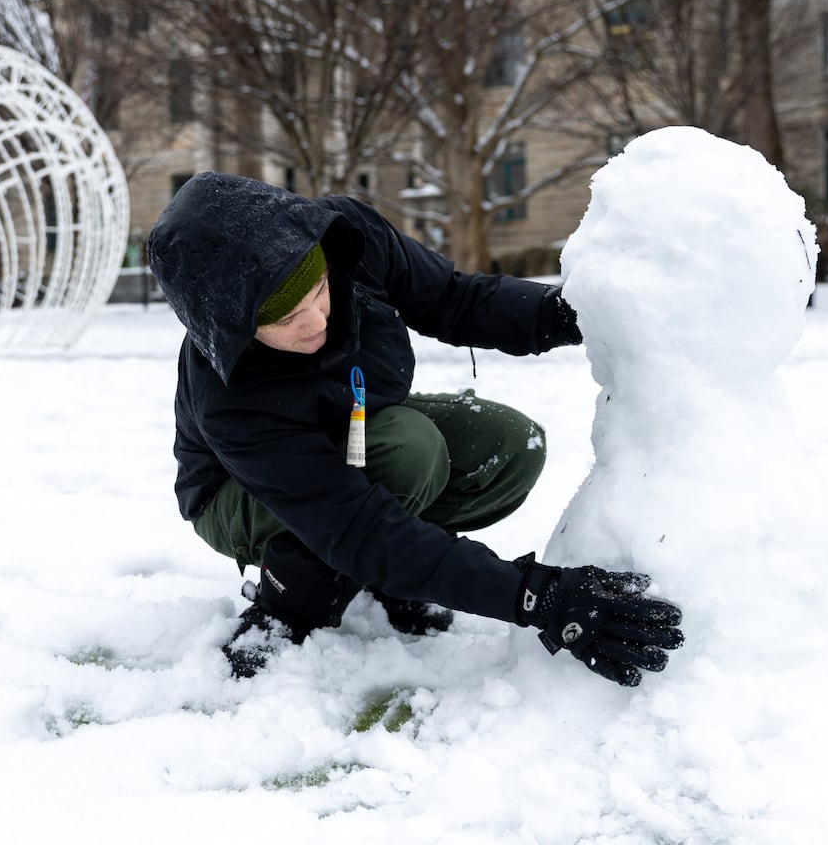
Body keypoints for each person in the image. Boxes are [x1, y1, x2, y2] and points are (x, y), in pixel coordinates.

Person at [147, 171, 683, 683]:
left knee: (510, 446)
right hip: (237, 496)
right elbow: (359, 527)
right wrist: (537, 597)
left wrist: (577, 314)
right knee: (408, 453)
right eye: (286, 319)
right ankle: (290, 603)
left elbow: (456, 299)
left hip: (359, 425)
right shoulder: (231, 396)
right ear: (234, 323)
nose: (317, 322)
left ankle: (396, 573)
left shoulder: (350, 238)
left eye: (319, 293)